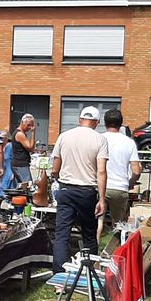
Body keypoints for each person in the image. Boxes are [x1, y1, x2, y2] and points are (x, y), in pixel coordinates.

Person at [51, 106, 109, 274]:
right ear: (97, 122)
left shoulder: (64, 136)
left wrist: (57, 179)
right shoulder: (100, 140)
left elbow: (55, 168)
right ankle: (88, 273)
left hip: (66, 188)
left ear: (79, 119)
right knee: (89, 234)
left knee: (62, 234)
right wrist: (102, 199)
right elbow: (101, 171)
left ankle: (59, 277)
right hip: (87, 191)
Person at [100, 109, 142, 240]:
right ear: (121, 123)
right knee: (118, 225)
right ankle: (115, 253)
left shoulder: (99, 139)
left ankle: (94, 252)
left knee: (98, 222)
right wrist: (130, 183)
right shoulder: (129, 142)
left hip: (100, 186)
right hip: (120, 187)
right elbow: (136, 170)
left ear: (104, 122)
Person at [12, 114, 36, 185]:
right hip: (21, 164)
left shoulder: (22, 133)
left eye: (31, 125)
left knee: (20, 187)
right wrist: (33, 133)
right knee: (28, 186)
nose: (30, 128)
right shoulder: (20, 134)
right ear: (22, 122)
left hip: (19, 163)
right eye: (28, 125)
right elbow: (30, 148)